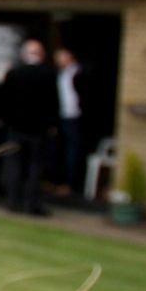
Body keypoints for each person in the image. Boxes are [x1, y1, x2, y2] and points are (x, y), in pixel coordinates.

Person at [0, 39, 58, 216]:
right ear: (41, 55)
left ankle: (13, 201)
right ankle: (33, 204)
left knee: (15, 164)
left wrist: (7, 120)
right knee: (35, 167)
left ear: (24, 55)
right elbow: (53, 102)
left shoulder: (14, 73)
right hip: (38, 130)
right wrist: (52, 124)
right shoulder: (48, 74)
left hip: (16, 127)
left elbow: (4, 99)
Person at [55, 46, 90, 195]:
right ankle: (59, 181)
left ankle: (72, 184)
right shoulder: (60, 74)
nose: (59, 61)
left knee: (74, 150)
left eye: (62, 57)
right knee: (61, 149)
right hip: (63, 116)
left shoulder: (80, 72)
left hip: (75, 117)